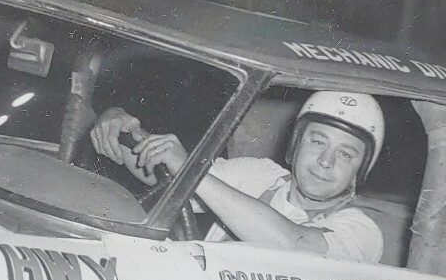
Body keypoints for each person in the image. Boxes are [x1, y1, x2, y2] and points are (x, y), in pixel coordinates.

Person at [90, 90, 386, 263]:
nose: (325, 161)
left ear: (360, 171)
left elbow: (296, 246)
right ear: (296, 145)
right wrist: (117, 123)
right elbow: (162, 174)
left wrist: (190, 169)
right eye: (317, 141)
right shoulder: (261, 175)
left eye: (346, 154)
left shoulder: (361, 231)